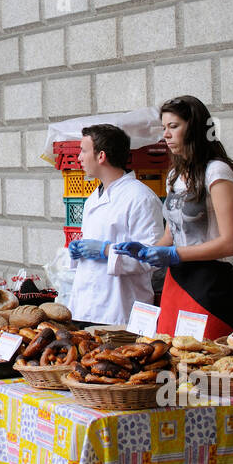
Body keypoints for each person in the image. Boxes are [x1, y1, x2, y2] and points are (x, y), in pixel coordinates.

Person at [114, 95, 233, 339]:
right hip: (175, 281)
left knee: (202, 361)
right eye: (164, 128)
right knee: (170, 356)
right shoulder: (175, 174)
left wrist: (175, 254)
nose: (166, 135)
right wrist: (144, 251)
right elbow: (170, 235)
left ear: (195, 128)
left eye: (173, 127)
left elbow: (230, 243)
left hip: (208, 284)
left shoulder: (217, 171)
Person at [66, 124, 165, 325]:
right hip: (85, 306)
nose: (79, 158)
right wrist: (78, 251)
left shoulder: (141, 197)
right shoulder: (93, 198)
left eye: (83, 151)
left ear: (101, 156)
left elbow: (153, 257)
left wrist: (107, 252)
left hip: (120, 310)